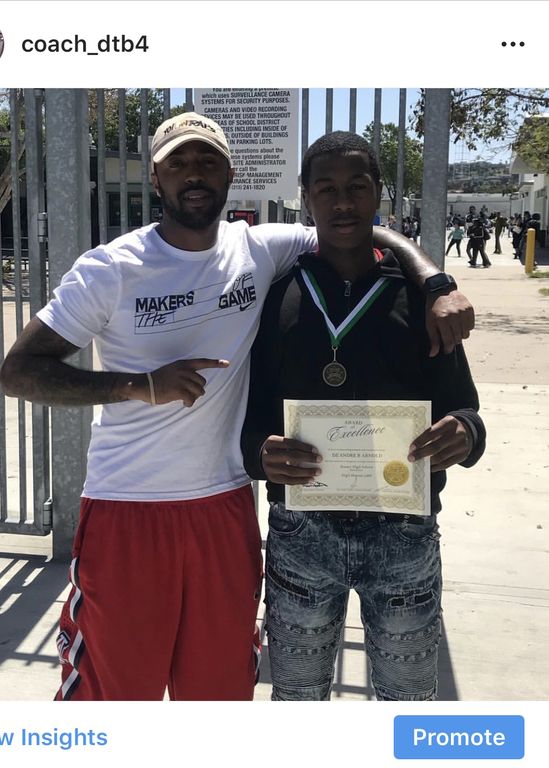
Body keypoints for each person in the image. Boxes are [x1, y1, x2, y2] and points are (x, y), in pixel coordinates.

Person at [0, 113, 475, 702]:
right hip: (129, 506)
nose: (193, 174)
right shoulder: (111, 268)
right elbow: (18, 372)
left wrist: (434, 281)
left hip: (224, 509)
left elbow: (357, 229)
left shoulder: (259, 249)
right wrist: (137, 385)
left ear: (229, 174)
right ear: (156, 178)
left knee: (219, 695)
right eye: (177, 163)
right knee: (117, 698)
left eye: (207, 161)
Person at [241, 131, 486, 701]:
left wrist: (465, 434)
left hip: (403, 532)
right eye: (326, 189)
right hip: (302, 533)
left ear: (379, 192)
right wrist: (260, 455)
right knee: (297, 700)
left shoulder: (420, 300)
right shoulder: (277, 298)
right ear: (305, 197)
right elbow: (251, 420)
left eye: (357, 186)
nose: (342, 202)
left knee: (408, 701)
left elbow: (466, 407)